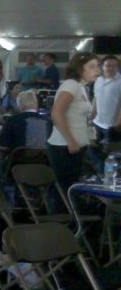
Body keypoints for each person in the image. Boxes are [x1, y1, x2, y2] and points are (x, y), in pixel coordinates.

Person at [46, 52, 100, 211]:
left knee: (71, 188)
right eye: (92, 67)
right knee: (65, 190)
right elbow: (56, 113)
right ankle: (63, 224)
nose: (97, 70)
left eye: (98, 66)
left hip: (75, 145)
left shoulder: (81, 87)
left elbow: (83, 118)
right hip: (65, 146)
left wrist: (89, 137)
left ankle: (70, 223)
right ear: (79, 68)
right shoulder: (71, 85)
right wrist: (71, 141)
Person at [93, 55, 121, 144]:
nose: (111, 68)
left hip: (111, 125)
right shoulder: (98, 80)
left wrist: (118, 123)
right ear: (102, 66)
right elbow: (95, 98)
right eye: (108, 65)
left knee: (110, 153)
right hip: (96, 122)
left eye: (114, 66)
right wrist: (91, 116)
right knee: (92, 148)